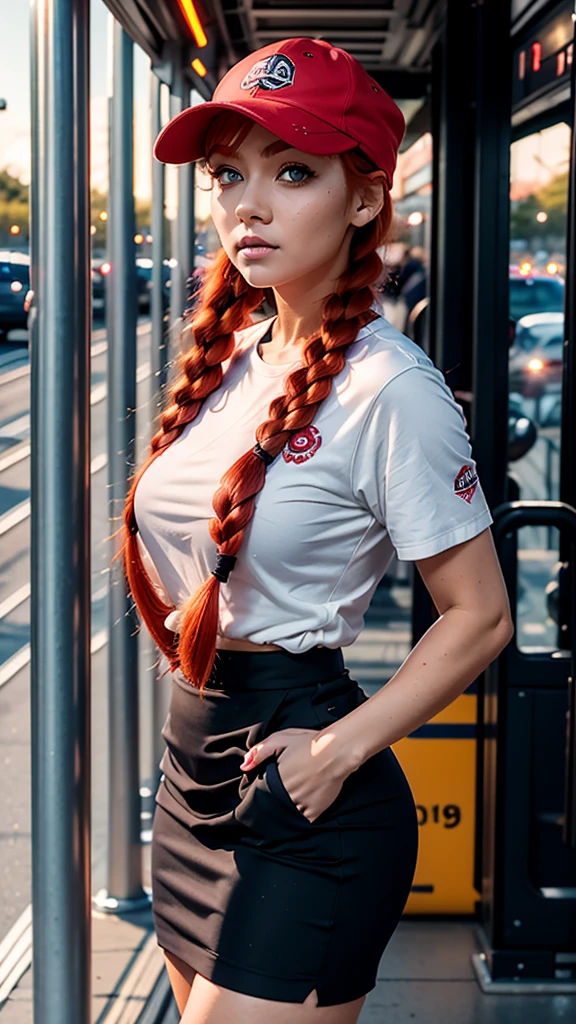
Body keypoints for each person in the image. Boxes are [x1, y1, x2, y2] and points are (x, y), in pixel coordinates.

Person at [123, 37, 514, 1024]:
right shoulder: (232, 357)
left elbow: (479, 617)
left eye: (292, 172)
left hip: (308, 790)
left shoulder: (393, 388)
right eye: (230, 175)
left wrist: (337, 750)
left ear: (366, 198)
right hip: (191, 771)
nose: (247, 205)